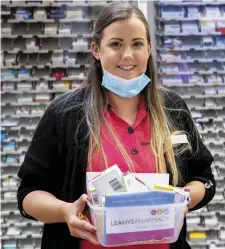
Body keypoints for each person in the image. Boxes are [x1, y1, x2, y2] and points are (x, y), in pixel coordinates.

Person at [17, 2, 215, 249]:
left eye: (137, 44)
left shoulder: (172, 109)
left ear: (149, 49)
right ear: (96, 49)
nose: (128, 55)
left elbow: (204, 179)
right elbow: (28, 194)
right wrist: (65, 211)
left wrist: (181, 201)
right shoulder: (65, 114)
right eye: (116, 44)